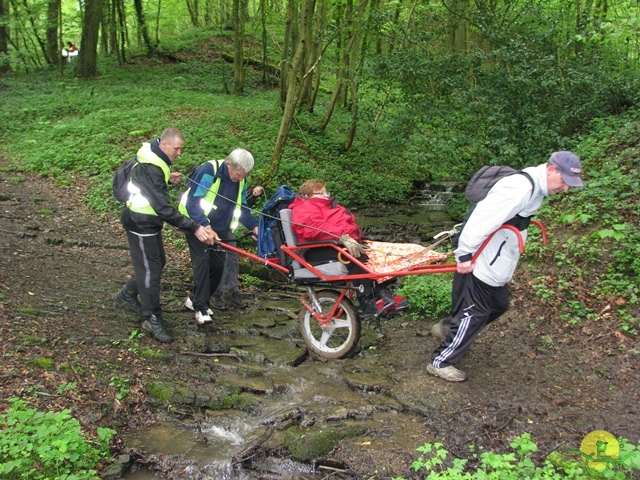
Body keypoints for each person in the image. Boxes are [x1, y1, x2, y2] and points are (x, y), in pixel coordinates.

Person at [427, 151, 584, 382]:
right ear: (551, 170)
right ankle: (440, 361)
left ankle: (452, 329)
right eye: (564, 182)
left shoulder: (534, 189)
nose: (566, 188)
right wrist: (464, 255)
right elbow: (481, 218)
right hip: (482, 260)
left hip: (498, 261)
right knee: (476, 312)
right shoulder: (518, 188)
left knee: (498, 306)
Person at [115, 128, 216, 343]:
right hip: (140, 222)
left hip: (149, 223)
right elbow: (164, 208)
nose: (179, 153)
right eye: (177, 149)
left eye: (182, 149)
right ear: (164, 145)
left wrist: (167, 177)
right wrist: (195, 227)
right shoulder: (150, 167)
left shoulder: (155, 159)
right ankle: (151, 317)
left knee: (157, 263)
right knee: (151, 269)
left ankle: (127, 294)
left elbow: (148, 184)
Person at [288, 179, 397, 316]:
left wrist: (349, 237)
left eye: (326, 192)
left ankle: (383, 294)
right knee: (357, 257)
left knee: (382, 254)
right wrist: (342, 236)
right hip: (316, 249)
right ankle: (367, 302)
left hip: (335, 244)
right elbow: (312, 229)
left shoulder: (332, 208)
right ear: (307, 195)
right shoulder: (304, 207)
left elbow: (350, 226)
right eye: (320, 193)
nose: (326, 195)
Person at [179, 148, 259, 324]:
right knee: (202, 261)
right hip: (197, 223)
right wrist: (205, 226)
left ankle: (194, 299)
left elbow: (242, 206)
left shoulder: (241, 179)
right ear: (228, 164)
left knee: (218, 265)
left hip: (221, 227)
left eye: (243, 175)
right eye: (238, 174)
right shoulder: (209, 171)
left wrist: (254, 226)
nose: (240, 178)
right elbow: (193, 202)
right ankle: (200, 307)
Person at [211, 185, 264, 310]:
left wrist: (254, 226)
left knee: (232, 259)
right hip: (210, 226)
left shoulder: (240, 184)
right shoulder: (220, 179)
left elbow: (242, 210)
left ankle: (231, 292)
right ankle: (214, 294)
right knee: (219, 261)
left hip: (226, 228)